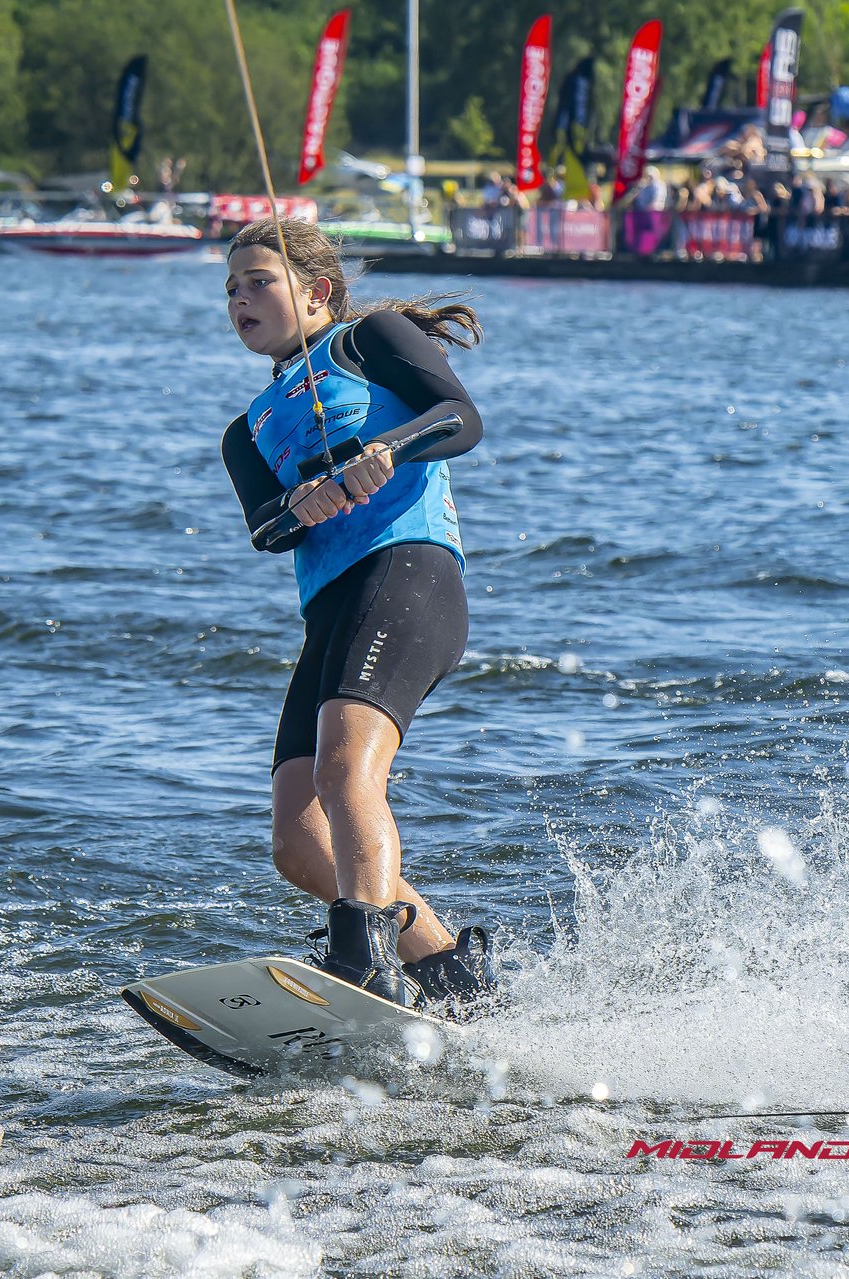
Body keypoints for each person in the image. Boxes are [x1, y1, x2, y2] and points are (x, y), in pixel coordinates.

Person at [219, 219, 498, 1012]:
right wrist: (301, 503)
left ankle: (365, 964)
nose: (240, 299)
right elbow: (267, 529)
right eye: (230, 290)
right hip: (334, 610)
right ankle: (449, 971)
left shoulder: (367, 341)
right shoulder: (245, 432)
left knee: (346, 773)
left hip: (408, 572)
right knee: (299, 840)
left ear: (318, 291)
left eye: (258, 282)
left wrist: (388, 451)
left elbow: (460, 417)